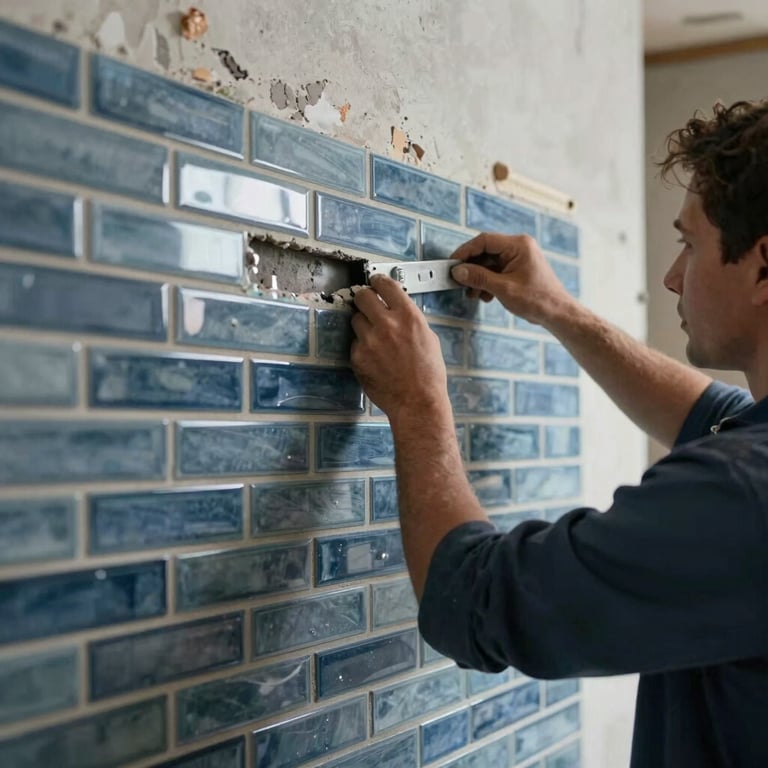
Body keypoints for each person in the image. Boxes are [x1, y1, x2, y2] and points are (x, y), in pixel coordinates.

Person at [349, 99, 768, 768]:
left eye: (689, 244)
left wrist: (418, 403)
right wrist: (560, 311)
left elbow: (473, 603)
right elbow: (713, 415)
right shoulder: (751, 456)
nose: (671, 276)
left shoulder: (743, 494)